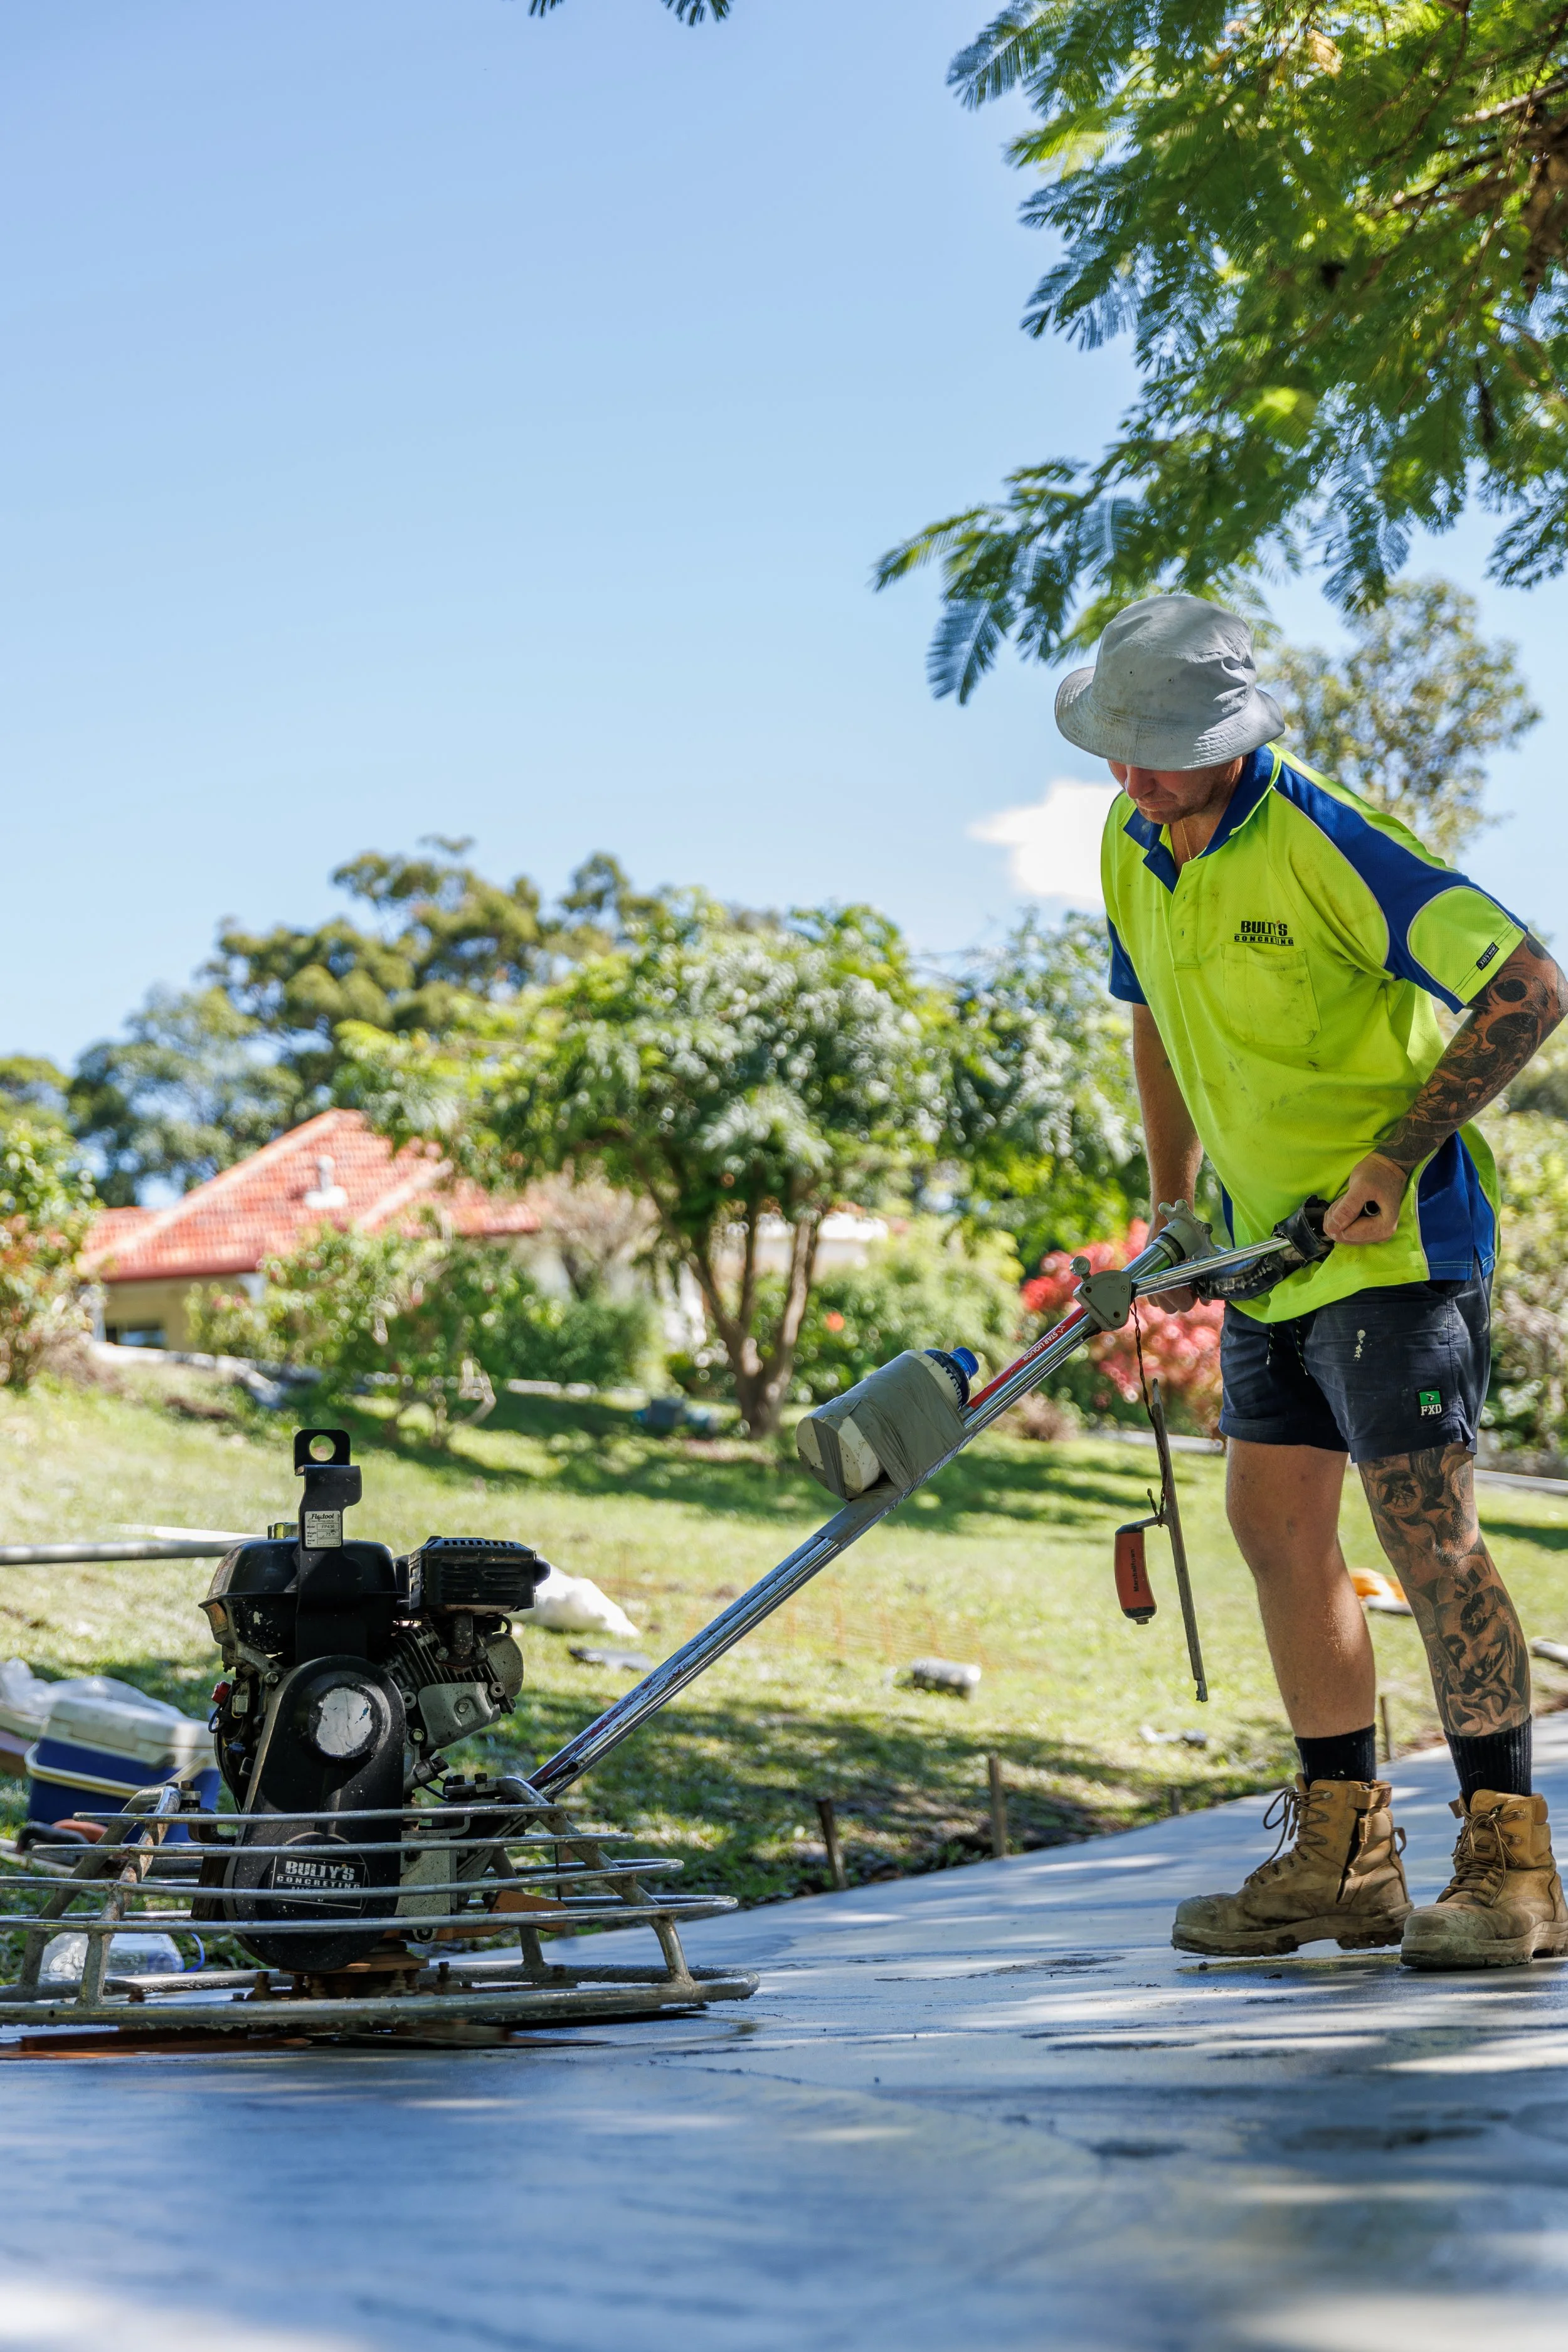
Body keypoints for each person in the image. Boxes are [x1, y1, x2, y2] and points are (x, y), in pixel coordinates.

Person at [1057, 592, 1568, 1969]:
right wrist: (1172, 1209)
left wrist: (1396, 1156)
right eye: (1120, 747)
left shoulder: (1330, 839)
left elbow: (1528, 985)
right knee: (1272, 1525)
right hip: (1265, 1257)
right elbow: (1154, 1020)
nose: (1135, 775)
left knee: (1424, 1531)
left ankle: (1513, 1866)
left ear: (1232, 736)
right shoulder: (1130, 840)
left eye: (1165, 750)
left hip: (1395, 1250)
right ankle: (1345, 1858)